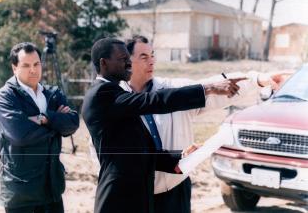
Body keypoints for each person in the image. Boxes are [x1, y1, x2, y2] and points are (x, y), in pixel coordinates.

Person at [123, 35, 289, 213]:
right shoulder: (115, 100)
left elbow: (214, 87)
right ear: (127, 61)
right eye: (144, 57)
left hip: (176, 191)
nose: (152, 61)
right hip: (135, 195)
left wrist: (256, 79)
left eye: (153, 55)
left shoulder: (173, 90)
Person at [81, 37, 246, 213]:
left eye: (129, 58)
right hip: (119, 200)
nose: (129, 63)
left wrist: (178, 157)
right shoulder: (102, 94)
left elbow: (135, 152)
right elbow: (154, 100)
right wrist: (207, 88)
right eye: (123, 59)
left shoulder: (116, 94)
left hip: (138, 199)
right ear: (104, 63)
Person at [0, 42, 79, 213]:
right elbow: (20, 135)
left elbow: (72, 124)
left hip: (52, 187)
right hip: (21, 192)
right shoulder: (5, 97)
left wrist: (45, 119)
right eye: (26, 65)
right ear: (14, 68)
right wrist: (56, 123)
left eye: (36, 64)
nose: (33, 70)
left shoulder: (53, 93)